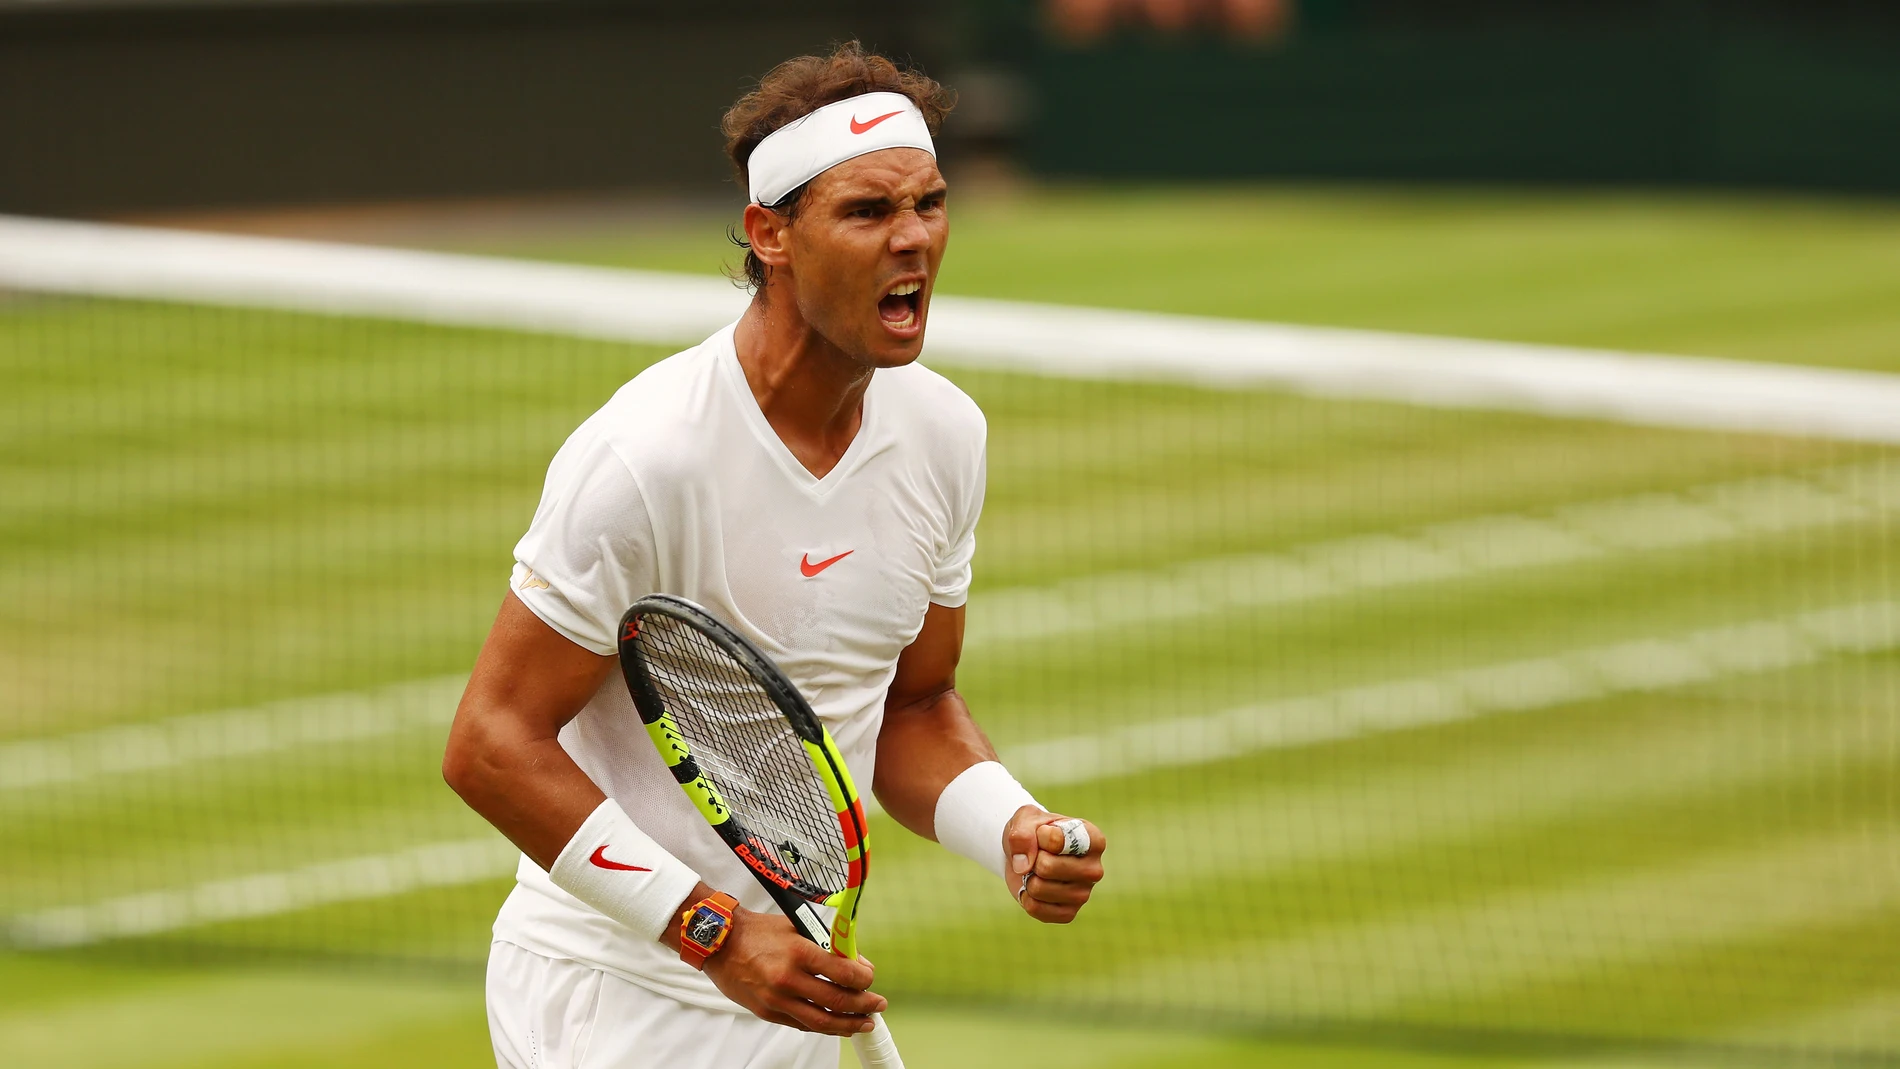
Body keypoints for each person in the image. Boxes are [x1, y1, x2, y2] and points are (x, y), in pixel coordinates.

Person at [442, 41, 1109, 1069]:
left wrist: (1008, 823)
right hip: (614, 997)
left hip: (787, 997)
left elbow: (913, 706)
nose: (913, 239)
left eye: (928, 204)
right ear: (771, 233)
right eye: (866, 211)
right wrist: (709, 929)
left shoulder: (943, 435)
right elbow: (490, 742)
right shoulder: (645, 458)